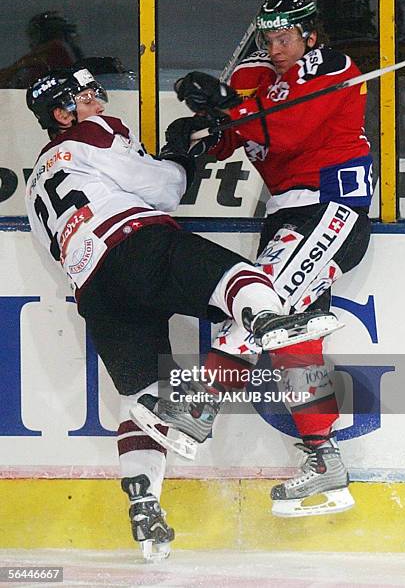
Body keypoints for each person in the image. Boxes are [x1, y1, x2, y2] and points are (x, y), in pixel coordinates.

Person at [24, 67, 340, 559]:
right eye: (84, 99)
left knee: (146, 403)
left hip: (94, 291)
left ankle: (145, 502)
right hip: (135, 245)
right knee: (241, 277)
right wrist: (181, 158)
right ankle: (271, 323)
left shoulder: (33, 187)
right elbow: (165, 189)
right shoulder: (94, 132)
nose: (98, 104)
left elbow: (54, 248)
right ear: (61, 115)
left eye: (95, 94)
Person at [173, 0, 373, 517]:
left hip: (330, 207)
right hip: (289, 215)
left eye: (285, 36)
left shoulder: (330, 65)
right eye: (269, 37)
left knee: (255, 304)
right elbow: (232, 136)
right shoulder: (257, 80)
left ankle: (200, 406)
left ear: (308, 34)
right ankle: (324, 460)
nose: (276, 46)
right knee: (292, 344)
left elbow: (280, 131)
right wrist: (198, 133)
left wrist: (228, 110)